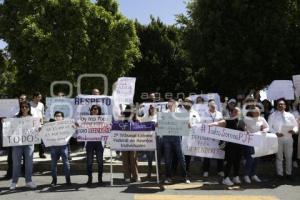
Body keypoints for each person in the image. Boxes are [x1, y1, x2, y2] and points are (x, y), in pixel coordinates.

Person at [210, 107, 245, 186]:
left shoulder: (242, 122)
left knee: (237, 162)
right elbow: (217, 124)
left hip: (239, 146)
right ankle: (225, 178)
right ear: (231, 113)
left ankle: (236, 176)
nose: (235, 113)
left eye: (237, 111)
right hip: (230, 146)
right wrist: (208, 125)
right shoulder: (227, 120)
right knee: (229, 161)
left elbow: (246, 130)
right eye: (234, 111)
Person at [268, 98, 298, 181]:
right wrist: (275, 133)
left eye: (282, 104)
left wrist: (294, 131)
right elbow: (269, 127)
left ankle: (289, 174)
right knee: (279, 157)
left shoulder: (290, 115)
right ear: (277, 106)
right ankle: (280, 174)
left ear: (285, 106)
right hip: (278, 139)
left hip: (289, 138)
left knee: (289, 157)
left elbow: (295, 126)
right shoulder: (272, 115)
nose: (281, 105)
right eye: (279, 104)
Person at [10, 101, 37, 190]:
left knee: (29, 163)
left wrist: (39, 128)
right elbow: (9, 128)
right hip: (17, 143)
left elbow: (37, 129)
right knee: (16, 163)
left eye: (26, 107)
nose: (24, 108)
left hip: (29, 143)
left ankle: (28, 181)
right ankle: (14, 182)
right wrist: (4, 122)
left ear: (29, 108)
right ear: (20, 108)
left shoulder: (33, 118)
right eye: (22, 107)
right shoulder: (15, 118)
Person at [162, 99, 190, 184]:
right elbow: (158, 124)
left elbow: (187, 123)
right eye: (168, 104)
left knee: (181, 157)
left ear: (175, 104)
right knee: (167, 158)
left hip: (177, 137)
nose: (169, 105)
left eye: (171, 103)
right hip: (166, 137)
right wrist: (158, 124)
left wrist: (188, 124)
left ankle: (185, 177)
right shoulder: (164, 112)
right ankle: (168, 177)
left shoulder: (180, 112)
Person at [243, 105, 269, 183]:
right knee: (250, 158)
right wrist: (245, 130)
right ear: (252, 113)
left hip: (259, 141)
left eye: (258, 112)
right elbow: (242, 125)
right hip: (250, 140)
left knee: (257, 159)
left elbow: (267, 127)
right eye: (255, 112)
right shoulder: (247, 119)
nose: (257, 113)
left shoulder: (262, 119)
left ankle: (254, 175)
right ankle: (246, 175)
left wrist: (265, 130)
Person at [47, 111, 72, 186]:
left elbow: (72, 132)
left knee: (66, 164)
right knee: (53, 164)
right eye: (56, 115)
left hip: (63, 146)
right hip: (54, 147)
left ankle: (68, 180)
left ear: (62, 117)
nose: (58, 117)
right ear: (54, 117)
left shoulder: (66, 125)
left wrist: (75, 126)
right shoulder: (50, 125)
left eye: (59, 115)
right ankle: (54, 180)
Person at [201, 99, 224, 178]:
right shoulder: (204, 114)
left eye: (214, 104)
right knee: (207, 155)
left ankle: (220, 171)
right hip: (208, 137)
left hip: (218, 137)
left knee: (219, 154)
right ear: (208, 106)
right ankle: (206, 171)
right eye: (211, 105)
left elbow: (223, 124)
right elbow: (202, 125)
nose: (213, 106)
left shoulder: (219, 114)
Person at [86, 105, 105, 186]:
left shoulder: (103, 119)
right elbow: (80, 127)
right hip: (89, 142)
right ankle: (89, 179)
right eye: (93, 109)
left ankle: (100, 179)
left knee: (100, 161)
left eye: (96, 109)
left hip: (99, 143)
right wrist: (76, 125)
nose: (94, 110)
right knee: (89, 162)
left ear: (99, 110)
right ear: (90, 110)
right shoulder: (86, 119)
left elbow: (106, 129)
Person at [182, 98, 201, 178]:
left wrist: (192, 125)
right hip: (181, 137)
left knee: (188, 156)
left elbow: (199, 123)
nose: (187, 104)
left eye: (189, 102)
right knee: (179, 155)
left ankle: (186, 172)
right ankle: (176, 172)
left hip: (191, 137)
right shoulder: (179, 111)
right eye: (186, 102)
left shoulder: (195, 113)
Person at [120, 105, 140, 182]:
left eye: (133, 110)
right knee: (125, 159)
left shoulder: (137, 120)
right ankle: (127, 176)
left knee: (133, 159)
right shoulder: (122, 119)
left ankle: (136, 176)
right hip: (124, 141)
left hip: (134, 142)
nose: (132, 111)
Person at [141, 104, 158, 178]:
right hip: (148, 139)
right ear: (149, 109)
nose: (152, 109)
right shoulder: (145, 116)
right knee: (149, 157)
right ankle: (149, 172)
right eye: (151, 108)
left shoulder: (159, 116)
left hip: (157, 138)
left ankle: (158, 172)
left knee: (158, 157)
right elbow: (141, 124)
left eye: (153, 108)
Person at [31, 91, 46, 158]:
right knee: (31, 138)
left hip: (39, 123)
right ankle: (30, 153)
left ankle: (42, 153)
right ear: (34, 97)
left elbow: (42, 114)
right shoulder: (29, 104)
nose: (40, 98)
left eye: (40, 97)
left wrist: (42, 123)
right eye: (38, 97)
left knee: (41, 139)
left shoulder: (41, 104)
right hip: (31, 123)